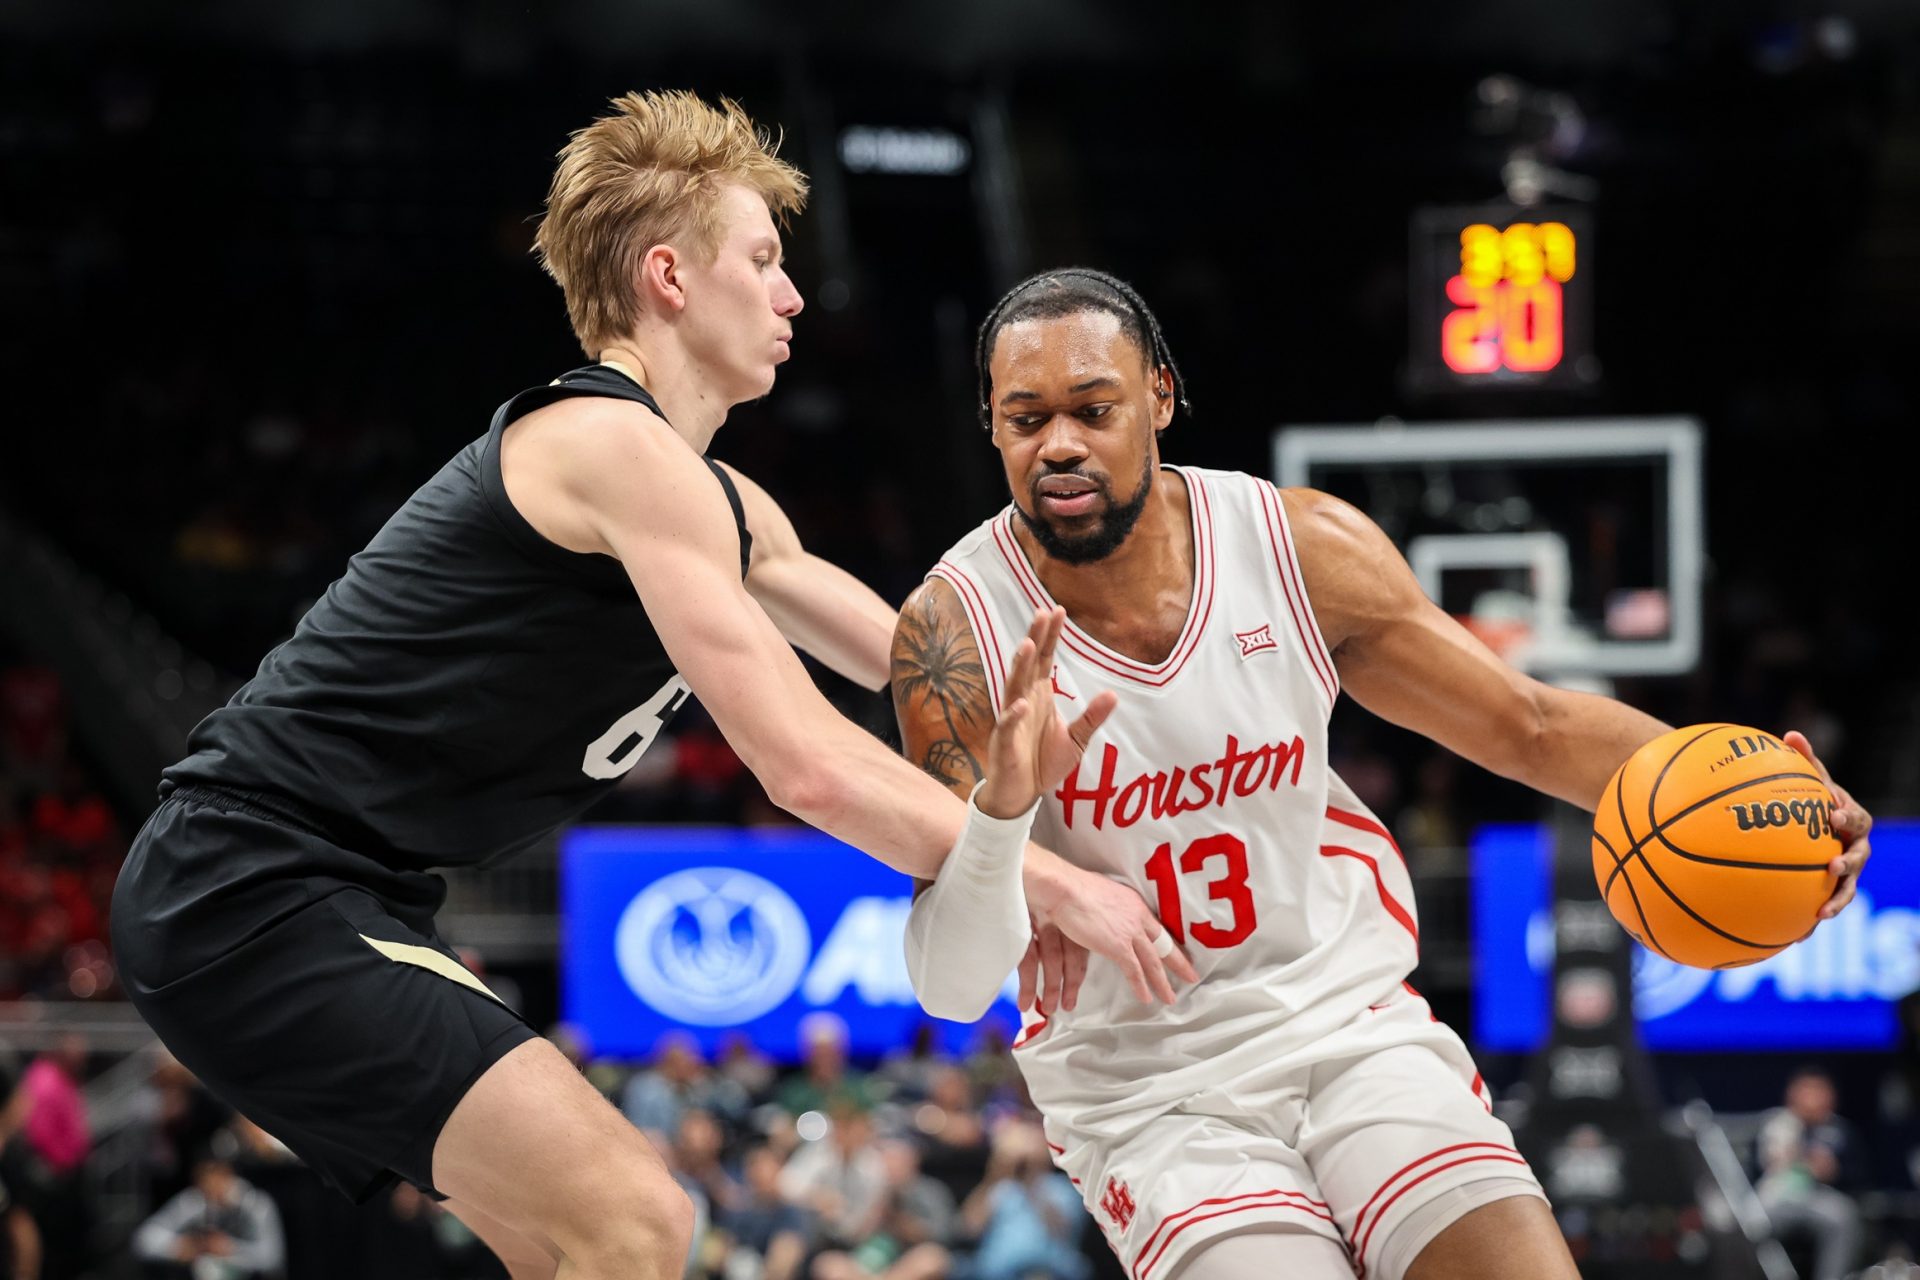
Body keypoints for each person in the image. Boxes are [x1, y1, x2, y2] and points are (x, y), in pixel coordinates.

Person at [108, 95, 1184, 1280]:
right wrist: (1056, 886)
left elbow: (919, 666)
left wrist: (1127, 726)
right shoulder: (612, 450)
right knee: (639, 1217)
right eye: (765, 261)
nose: (793, 296)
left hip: (331, 896)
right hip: (248, 886)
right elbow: (810, 765)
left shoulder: (726, 505)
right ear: (668, 276)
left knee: (569, 1243)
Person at [890, 267, 1878, 1280]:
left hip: (1351, 1024)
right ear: (991, 427)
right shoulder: (955, 631)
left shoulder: (1298, 547)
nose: (1059, 442)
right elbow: (953, 980)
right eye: (1027, 418)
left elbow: (1528, 724)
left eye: (1092, 408)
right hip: (1151, 1090)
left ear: (1160, 398)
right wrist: (1004, 811)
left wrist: (1769, 793)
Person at [1755, 1067, 1864, 1280]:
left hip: (1820, 1198)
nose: (1812, 1098)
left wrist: (1833, 1172)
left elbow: (1858, 1178)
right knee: (1746, 1222)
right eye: (1806, 1091)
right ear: (1791, 1094)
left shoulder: (1840, 1131)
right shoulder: (1776, 1125)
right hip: (1775, 1198)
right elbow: (1753, 1172)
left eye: (1818, 1091)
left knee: (1841, 1215)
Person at [131, 1152, 285, 1280]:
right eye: (205, 1183)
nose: (212, 1190)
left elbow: (271, 1258)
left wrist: (231, 1249)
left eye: (217, 1181)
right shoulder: (194, 1201)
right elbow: (144, 1240)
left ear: (228, 1176)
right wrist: (182, 1246)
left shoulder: (256, 1205)